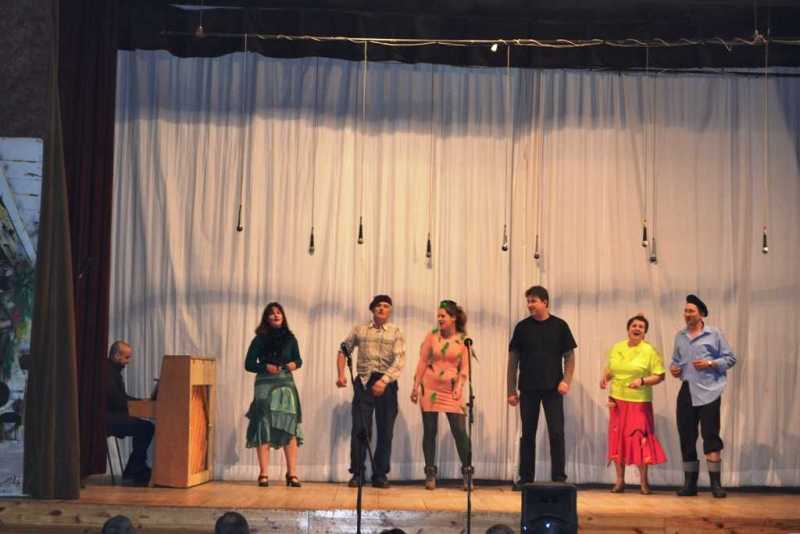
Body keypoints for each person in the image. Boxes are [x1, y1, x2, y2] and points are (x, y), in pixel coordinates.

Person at [507, 285, 577, 489]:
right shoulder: (522, 328)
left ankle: (559, 478)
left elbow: (569, 357)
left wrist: (566, 380)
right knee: (528, 434)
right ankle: (526, 478)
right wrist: (510, 390)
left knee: (557, 433)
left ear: (545, 302)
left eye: (533, 301)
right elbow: (513, 362)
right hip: (528, 388)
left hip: (553, 389)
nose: (530, 305)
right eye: (528, 301)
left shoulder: (560, 326)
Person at [670, 294, 736, 498]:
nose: (687, 314)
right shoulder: (680, 336)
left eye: (691, 311)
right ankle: (690, 484)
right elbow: (676, 360)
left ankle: (716, 485)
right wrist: (674, 369)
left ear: (701, 315)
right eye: (685, 311)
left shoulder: (714, 334)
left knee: (711, 436)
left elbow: (730, 359)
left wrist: (710, 363)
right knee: (686, 437)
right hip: (687, 391)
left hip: (709, 392)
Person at [336, 294, 406, 488]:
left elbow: (399, 360)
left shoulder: (396, 332)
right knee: (360, 429)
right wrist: (341, 374)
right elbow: (343, 350)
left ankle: (380, 474)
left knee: (386, 431)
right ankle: (358, 473)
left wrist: (384, 381)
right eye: (379, 305)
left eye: (386, 306)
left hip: (387, 384)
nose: (382, 309)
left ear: (390, 310)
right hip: (364, 383)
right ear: (372, 309)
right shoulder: (360, 330)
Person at [600, 314, 667, 494]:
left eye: (641, 327)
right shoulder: (617, 347)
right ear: (628, 329)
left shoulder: (649, 351)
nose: (637, 328)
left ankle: (644, 483)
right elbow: (612, 369)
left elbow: (660, 376)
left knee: (639, 439)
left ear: (645, 332)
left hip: (639, 402)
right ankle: (619, 481)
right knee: (617, 439)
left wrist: (642, 381)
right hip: (617, 400)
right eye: (634, 325)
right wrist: (605, 377)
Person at [410, 300, 471, 490]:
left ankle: (467, 471)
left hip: (451, 389)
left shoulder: (463, 340)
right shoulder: (432, 336)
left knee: (459, 431)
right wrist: (415, 385)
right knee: (430, 430)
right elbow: (422, 362)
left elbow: (465, 368)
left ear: (453, 318)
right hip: (430, 388)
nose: (440, 319)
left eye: (443, 315)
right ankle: (430, 472)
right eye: (438, 315)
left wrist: (459, 386)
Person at [244, 302, 304, 488]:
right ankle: (263, 473)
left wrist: (295, 364)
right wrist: (265, 366)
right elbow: (248, 364)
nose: (276, 315)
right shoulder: (259, 339)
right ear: (266, 318)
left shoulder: (290, 338)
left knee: (289, 425)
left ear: (283, 316)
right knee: (263, 423)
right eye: (272, 313)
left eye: (279, 313)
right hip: (265, 383)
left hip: (285, 383)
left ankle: (292, 473)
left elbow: (298, 359)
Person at [105, 340, 155, 484]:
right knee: (146, 428)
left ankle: (133, 469)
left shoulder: (113, 371)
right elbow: (117, 400)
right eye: (126, 357)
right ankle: (135, 470)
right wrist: (139, 403)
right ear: (116, 356)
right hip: (109, 418)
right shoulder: (108, 372)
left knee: (145, 427)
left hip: (114, 415)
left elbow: (121, 397)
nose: (128, 361)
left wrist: (140, 401)